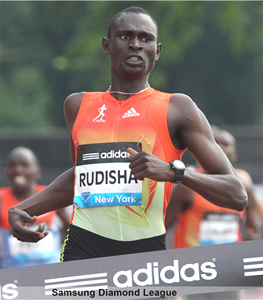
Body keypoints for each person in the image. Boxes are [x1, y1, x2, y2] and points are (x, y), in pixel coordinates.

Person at [8, 6, 247, 262]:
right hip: (83, 248)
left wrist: (173, 172)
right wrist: (23, 208)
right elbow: (82, 177)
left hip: (144, 251)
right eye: (126, 36)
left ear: (158, 51)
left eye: (145, 38)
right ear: (106, 45)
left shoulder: (178, 109)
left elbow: (236, 194)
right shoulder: (78, 106)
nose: (136, 45)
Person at [165, 127, 261, 299]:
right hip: (193, 271)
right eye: (216, 144)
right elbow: (164, 225)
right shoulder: (187, 184)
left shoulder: (243, 185)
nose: (221, 147)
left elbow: (254, 227)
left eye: (226, 144)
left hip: (228, 268)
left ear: (234, 153)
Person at [0, 147, 69, 269]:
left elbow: (68, 228)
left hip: (50, 268)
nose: (18, 170)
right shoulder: (1, 198)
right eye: (13, 165)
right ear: (7, 172)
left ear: (37, 171)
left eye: (24, 165)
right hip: (12, 272)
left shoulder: (51, 196)